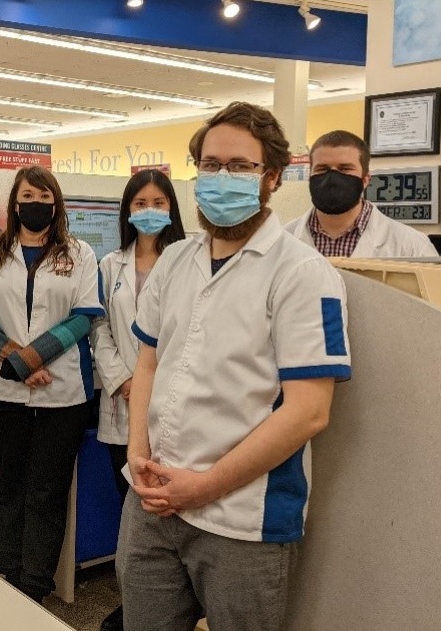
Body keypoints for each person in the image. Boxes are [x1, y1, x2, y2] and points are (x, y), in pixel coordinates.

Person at [117, 102, 352, 631]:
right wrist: (137, 457)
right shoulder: (177, 260)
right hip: (152, 503)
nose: (222, 177)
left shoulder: (303, 273)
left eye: (240, 166)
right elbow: (149, 362)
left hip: (244, 518)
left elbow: (309, 412)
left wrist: (202, 487)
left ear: (272, 177)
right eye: (210, 164)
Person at [0, 165, 104, 604]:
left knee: (47, 489)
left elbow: (84, 317)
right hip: (1, 390)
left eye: (44, 197)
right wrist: (16, 359)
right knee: (6, 482)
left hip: (63, 391)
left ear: (56, 204)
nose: (36, 204)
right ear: (15, 203)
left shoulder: (79, 253)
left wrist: (33, 357)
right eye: (28, 196)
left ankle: (35, 583)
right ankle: (8, 570)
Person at [91, 168, 185, 631]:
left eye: (159, 203)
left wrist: (154, 386)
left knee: (166, 506)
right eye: (141, 203)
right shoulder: (110, 265)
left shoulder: (187, 261)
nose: (150, 211)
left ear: (172, 209)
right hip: (122, 402)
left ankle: (168, 600)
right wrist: (124, 380)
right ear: (127, 211)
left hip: (173, 402)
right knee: (130, 506)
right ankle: (134, 600)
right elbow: (99, 327)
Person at [285, 130, 438, 257]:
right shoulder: (283, 239)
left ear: (365, 180)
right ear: (310, 176)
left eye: (345, 169)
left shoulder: (413, 246)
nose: (332, 178)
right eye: (322, 169)